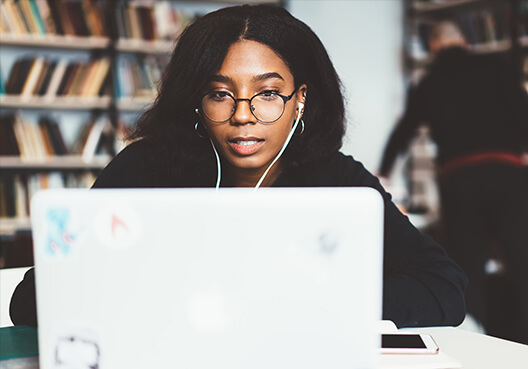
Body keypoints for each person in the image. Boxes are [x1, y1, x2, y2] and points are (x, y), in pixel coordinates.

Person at [11, 5, 467, 330]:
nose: (243, 114)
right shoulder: (145, 169)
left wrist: (312, 303)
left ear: (300, 99)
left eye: (268, 93)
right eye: (220, 93)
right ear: (197, 98)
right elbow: (32, 299)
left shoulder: (339, 179)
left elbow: (445, 288)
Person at [379, 21, 528, 344]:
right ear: (465, 42)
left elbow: (403, 131)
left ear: (433, 47)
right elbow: (523, 111)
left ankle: (479, 345)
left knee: (466, 270)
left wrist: (384, 170)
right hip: (509, 173)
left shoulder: (430, 81)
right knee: (523, 263)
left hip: (460, 179)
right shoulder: (498, 67)